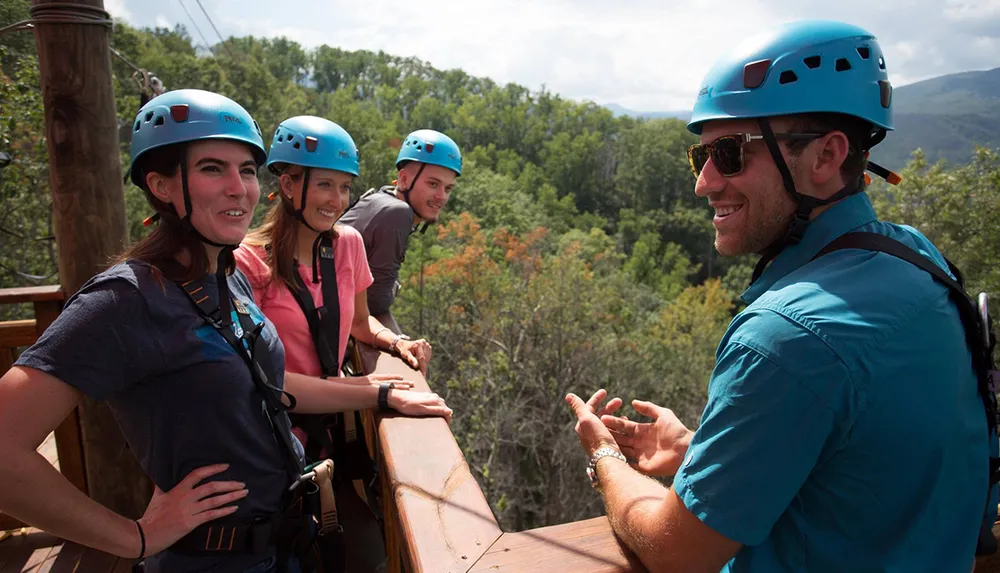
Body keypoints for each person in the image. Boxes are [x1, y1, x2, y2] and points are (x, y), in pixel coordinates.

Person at [565, 20, 999, 572]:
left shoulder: (786, 337)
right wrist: (698, 452)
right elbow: (864, 473)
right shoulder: (918, 260)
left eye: (729, 154)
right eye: (701, 158)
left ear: (825, 157)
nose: (704, 183)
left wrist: (605, 460)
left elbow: (678, 555)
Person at [0, 89, 299, 573]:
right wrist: (135, 537)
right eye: (211, 168)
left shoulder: (226, 273)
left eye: (246, 169)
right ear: (160, 186)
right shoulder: (126, 298)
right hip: (210, 561)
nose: (238, 187)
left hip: (281, 544)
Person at [235, 115, 453, 572]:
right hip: (274, 440)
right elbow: (265, 382)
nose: (336, 201)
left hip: (329, 436)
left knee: (359, 555)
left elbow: (359, 325)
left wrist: (397, 342)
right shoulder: (248, 265)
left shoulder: (347, 245)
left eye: (344, 188)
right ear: (289, 184)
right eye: (324, 186)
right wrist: (379, 392)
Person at [338, 129, 462, 320]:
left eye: (448, 188)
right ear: (404, 179)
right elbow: (377, 301)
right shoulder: (397, 213)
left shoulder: (380, 198)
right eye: (433, 184)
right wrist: (394, 288)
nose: (441, 196)